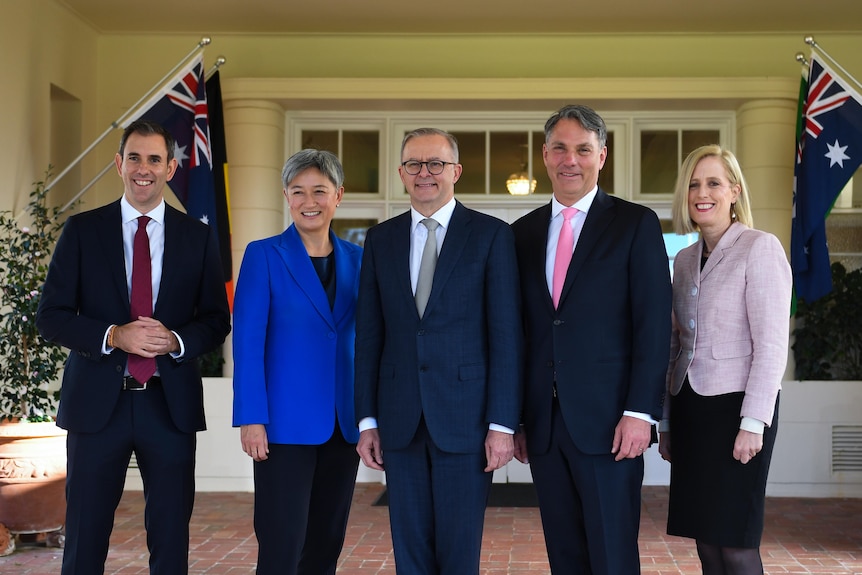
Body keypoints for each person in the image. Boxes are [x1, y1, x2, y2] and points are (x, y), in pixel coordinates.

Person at [36, 119, 232, 575]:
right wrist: (114, 335)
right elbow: (52, 315)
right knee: (84, 539)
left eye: (155, 159)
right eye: (135, 158)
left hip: (169, 406)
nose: (144, 168)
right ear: (118, 164)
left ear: (170, 167)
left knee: (169, 539)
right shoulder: (83, 231)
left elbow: (216, 320)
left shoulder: (197, 237)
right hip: (96, 406)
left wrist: (178, 340)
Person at [511, 104, 671, 574]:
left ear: (602, 155)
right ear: (544, 155)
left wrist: (640, 412)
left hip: (610, 425)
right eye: (559, 148)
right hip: (544, 424)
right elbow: (519, 333)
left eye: (583, 149)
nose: (570, 160)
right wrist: (517, 418)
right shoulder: (520, 235)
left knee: (613, 555)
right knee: (564, 554)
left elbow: (653, 324)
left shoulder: (634, 224)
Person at [354, 127, 522, 574]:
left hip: (466, 420)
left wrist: (502, 424)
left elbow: (506, 336)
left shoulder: (490, 236)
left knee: (459, 549)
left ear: (456, 172)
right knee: (409, 549)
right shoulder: (380, 240)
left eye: (436, 164)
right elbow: (370, 336)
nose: (424, 173)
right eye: (414, 164)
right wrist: (368, 420)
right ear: (401, 173)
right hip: (399, 419)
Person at [659, 145, 791, 575]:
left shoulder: (760, 247)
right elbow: (676, 345)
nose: (703, 192)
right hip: (693, 411)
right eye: (694, 184)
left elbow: (771, 345)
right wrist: (666, 421)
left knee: (735, 542)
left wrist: (754, 422)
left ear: (734, 191)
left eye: (714, 182)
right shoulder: (682, 260)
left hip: (739, 411)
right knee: (706, 542)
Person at [232, 149, 362, 575]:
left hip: (343, 425)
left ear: (338, 195)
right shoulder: (264, 255)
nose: (310, 200)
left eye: (320, 190)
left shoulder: (360, 261)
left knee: (326, 543)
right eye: (299, 191)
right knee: (281, 543)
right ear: (287, 197)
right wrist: (251, 417)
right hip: (283, 428)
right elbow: (248, 343)